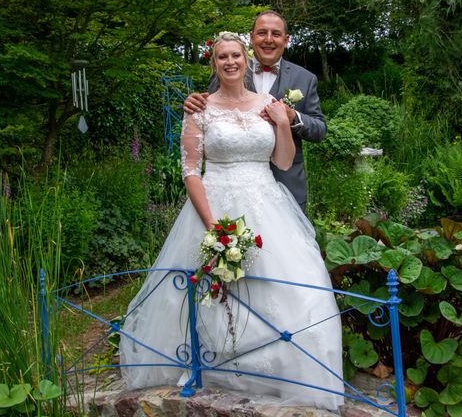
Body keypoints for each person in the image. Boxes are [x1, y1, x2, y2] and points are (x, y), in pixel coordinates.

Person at [119, 32, 344, 410]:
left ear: (247, 59)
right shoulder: (200, 109)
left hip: (267, 202)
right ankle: (217, 364)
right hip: (215, 205)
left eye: (235, 55)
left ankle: (283, 369)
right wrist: (212, 226)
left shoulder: (268, 104)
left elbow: (284, 163)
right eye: (222, 56)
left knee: (290, 287)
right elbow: (191, 171)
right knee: (211, 287)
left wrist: (283, 122)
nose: (230, 62)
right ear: (214, 64)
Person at [184, 10, 326, 211]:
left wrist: (292, 116)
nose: (268, 40)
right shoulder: (230, 67)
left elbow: (320, 129)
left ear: (286, 40)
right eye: (262, 33)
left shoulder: (305, 78)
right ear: (251, 37)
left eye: (276, 34)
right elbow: (212, 112)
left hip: (287, 186)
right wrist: (193, 103)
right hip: (229, 193)